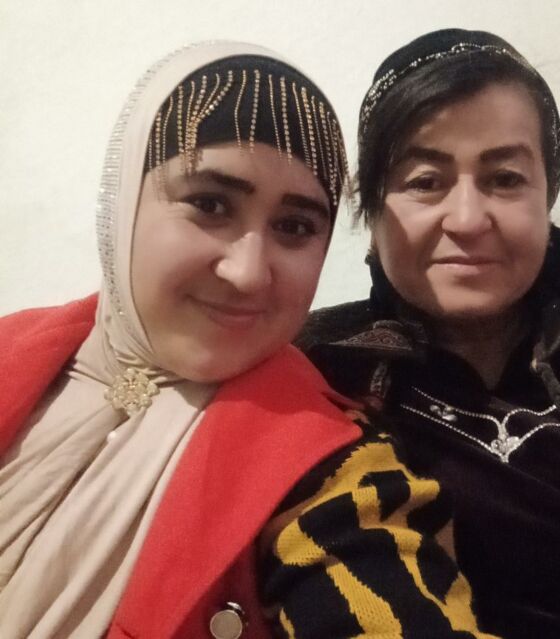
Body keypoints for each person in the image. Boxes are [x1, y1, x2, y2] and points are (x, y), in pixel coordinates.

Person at [0, 41, 497, 639]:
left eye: (295, 226)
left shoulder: (332, 469)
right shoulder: (15, 349)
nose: (248, 272)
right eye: (210, 204)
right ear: (122, 205)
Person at [298, 28, 560, 639]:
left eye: (504, 178)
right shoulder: (317, 375)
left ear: (547, 195)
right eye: (425, 181)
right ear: (372, 210)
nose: (467, 219)